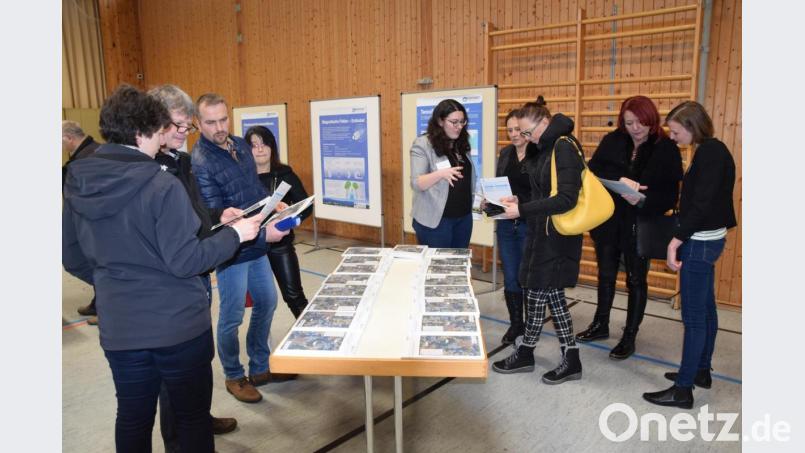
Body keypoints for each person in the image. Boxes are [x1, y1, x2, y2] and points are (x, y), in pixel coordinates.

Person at [62, 84, 270, 452]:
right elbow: (186, 260)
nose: (165, 140)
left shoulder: (77, 178)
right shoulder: (158, 183)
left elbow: (72, 254)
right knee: (190, 418)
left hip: (120, 326)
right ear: (142, 132)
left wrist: (116, 283)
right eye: (161, 131)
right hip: (176, 325)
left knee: (132, 417)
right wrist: (236, 234)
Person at [148, 84, 240, 449]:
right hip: (173, 281)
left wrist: (221, 216)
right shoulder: (148, 171)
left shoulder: (180, 162)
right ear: (155, 124)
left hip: (197, 275)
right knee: (174, 376)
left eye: (188, 127)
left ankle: (199, 416)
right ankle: (179, 438)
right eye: (180, 126)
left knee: (199, 361)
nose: (185, 134)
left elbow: (196, 214)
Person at [191, 93, 295, 404]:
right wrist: (251, 227)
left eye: (223, 119)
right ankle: (234, 375)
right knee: (232, 316)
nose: (220, 127)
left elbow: (253, 188)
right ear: (198, 123)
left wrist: (274, 205)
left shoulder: (239, 145)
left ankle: (261, 367)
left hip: (256, 242)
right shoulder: (201, 161)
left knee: (267, 302)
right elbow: (214, 213)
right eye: (211, 122)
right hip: (232, 249)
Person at [643, 101, 736, 409]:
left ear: (692, 126)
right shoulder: (711, 150)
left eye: (676, 130)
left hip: (700, 242)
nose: (673, 136)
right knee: (706, 310)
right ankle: (701, 371)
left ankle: (683, 390)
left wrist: (675, 241)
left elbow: (701, 204)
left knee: (694, 317)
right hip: (708, 239)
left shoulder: (711, 152)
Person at [575, 96, 683, 360]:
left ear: (652, 120)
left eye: (641, 123)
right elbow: (592, 173)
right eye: (629, 122)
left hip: (640, 223)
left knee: (636, 279)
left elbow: (670, 195)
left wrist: (644, 200)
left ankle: (630, 335)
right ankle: (600, 324)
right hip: (609, 221)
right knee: (606, 274)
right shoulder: (613, 141)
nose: (635, 128)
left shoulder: (666, 148)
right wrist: (616, 180)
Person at [491, 96, 585, 385]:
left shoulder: (563, 147)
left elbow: (566, 199)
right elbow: (543, 193)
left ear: (545, 122)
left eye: (529, 131)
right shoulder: (546, 147)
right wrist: (520, 199)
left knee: (535, 294)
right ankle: (570, 357)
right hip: (542, 231)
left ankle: (527, 351)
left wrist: (523, 209)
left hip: (555, 235)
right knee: (553, 296)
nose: (526, 138)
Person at [245, 125, 312, 318]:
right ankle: (261, 345)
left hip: (281, 246)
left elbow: (306, 207)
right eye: (254, 145)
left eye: (265, 144)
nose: (260, 149)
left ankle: (309, 337)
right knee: (261, 302)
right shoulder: (242, 178)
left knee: (294, 296)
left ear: (272, 147)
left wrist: (288, 220)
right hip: (252, 247)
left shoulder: (285, 174)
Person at [410, 99, 477, 248]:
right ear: (440, 121)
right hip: (436, 221)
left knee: (459, 266)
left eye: (462, 122)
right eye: (454, 122)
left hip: (463, 218)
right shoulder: (423, 144)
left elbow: (467, 180)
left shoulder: (461, 144)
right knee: (438, 268)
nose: (459, 127)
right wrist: (440, 174)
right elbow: (416, 183)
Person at [490, 109, 530, 344]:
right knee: (511, 276)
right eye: (510, 130)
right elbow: (498, 185)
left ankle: (531, 323)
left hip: (528, 224)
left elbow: (543, 193)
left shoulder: (539, 154)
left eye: (518, 129)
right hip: (506, 225)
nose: (514, 134)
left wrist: (521, 202)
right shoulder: (505, 154)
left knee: (528, 277)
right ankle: (516, 324)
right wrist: (489, 200)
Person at [62, 120, 101, 320]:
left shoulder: (89, 158)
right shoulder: (90, 152)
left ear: (68, 138)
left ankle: (108, 306)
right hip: (85, 217)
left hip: (90, 220)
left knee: (75, 260)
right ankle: (100, 302)